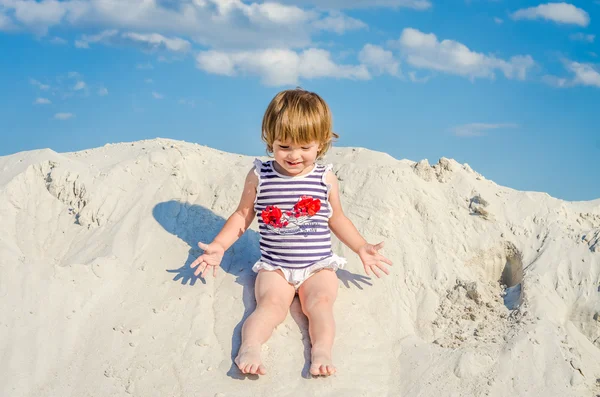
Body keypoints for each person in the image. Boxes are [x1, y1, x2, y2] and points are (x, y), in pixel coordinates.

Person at [190, 88, 392, 377]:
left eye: (304, 148)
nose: (294, 155)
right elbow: (243, 214)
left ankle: (321, 350)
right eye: (284, 146)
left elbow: (337, 218)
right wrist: (220, 245)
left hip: (318, 267)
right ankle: (250, 347)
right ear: (269, 140)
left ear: (321, 143)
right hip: (276, 267)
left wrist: (361, 247)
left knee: (320, 305)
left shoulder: (324, 177)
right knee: (269, 307)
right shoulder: (260, 174)